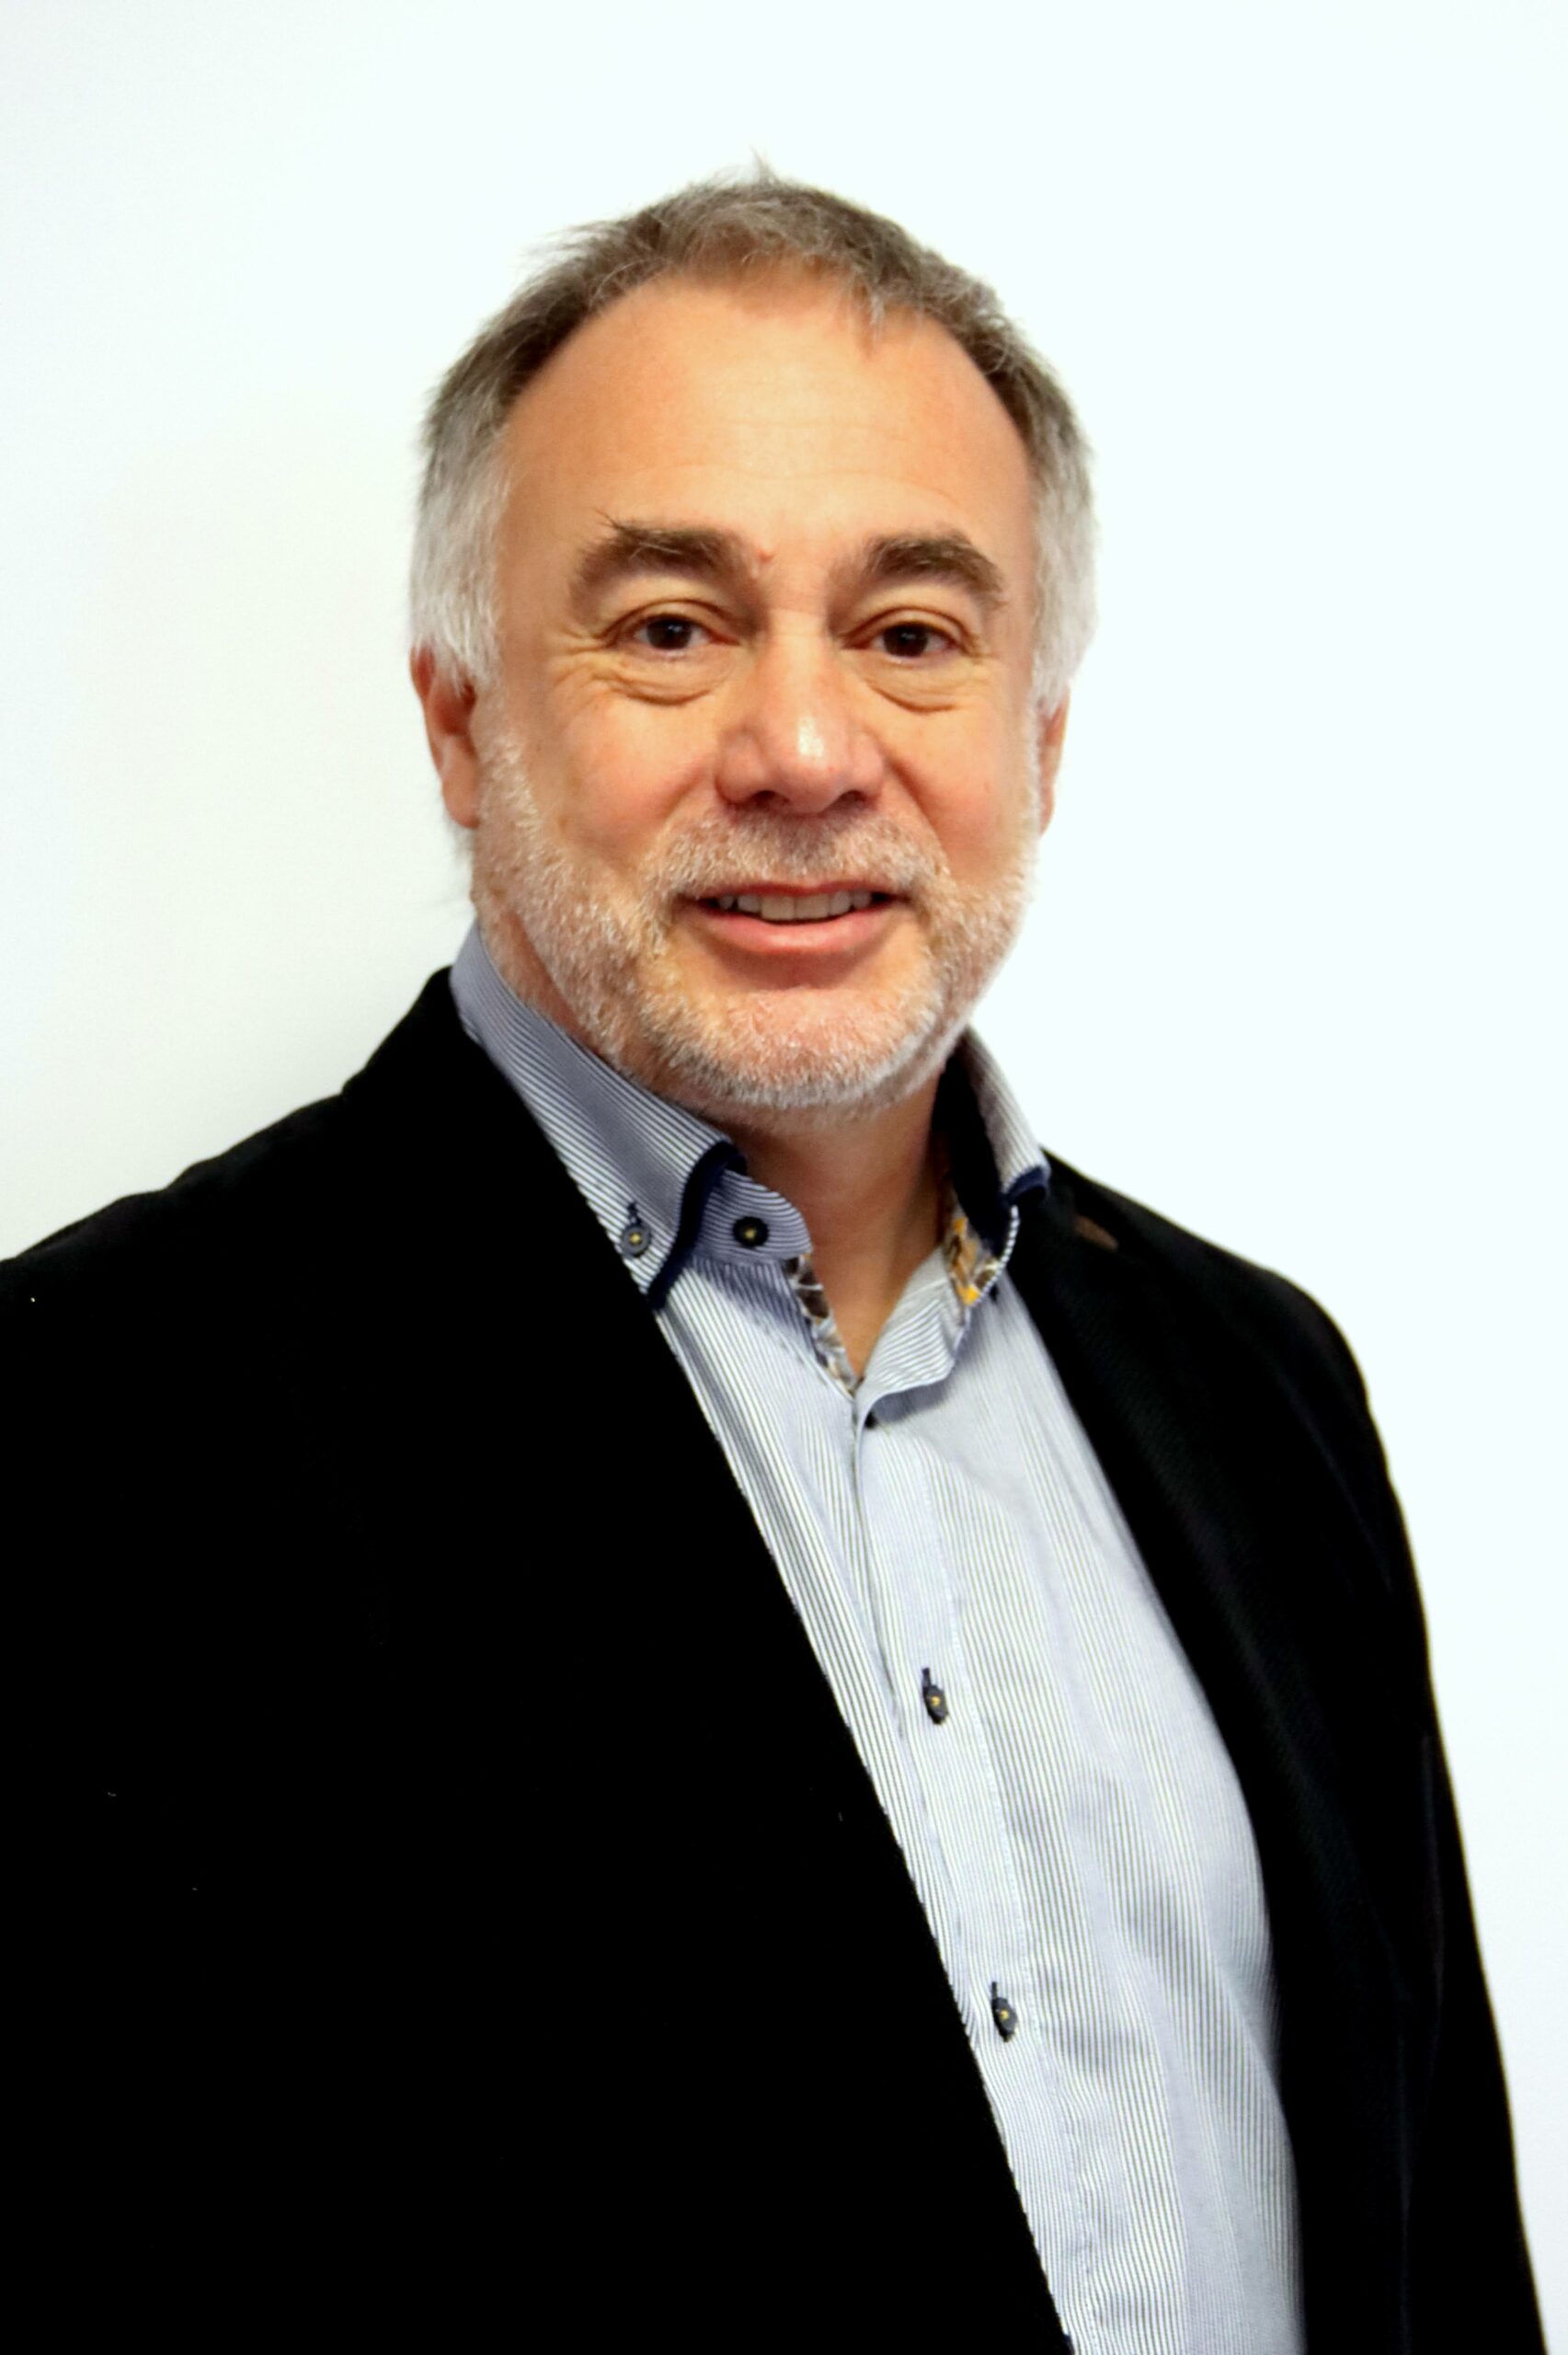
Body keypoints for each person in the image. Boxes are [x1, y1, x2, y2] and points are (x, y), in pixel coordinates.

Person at [7, 174, 1540, 2350]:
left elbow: (1440, 2239)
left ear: (1040, 738)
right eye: (668, 627)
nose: (806, 752)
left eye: (912, 633)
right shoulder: (90, 1415)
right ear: (458, 719)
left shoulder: (1264, 1384)